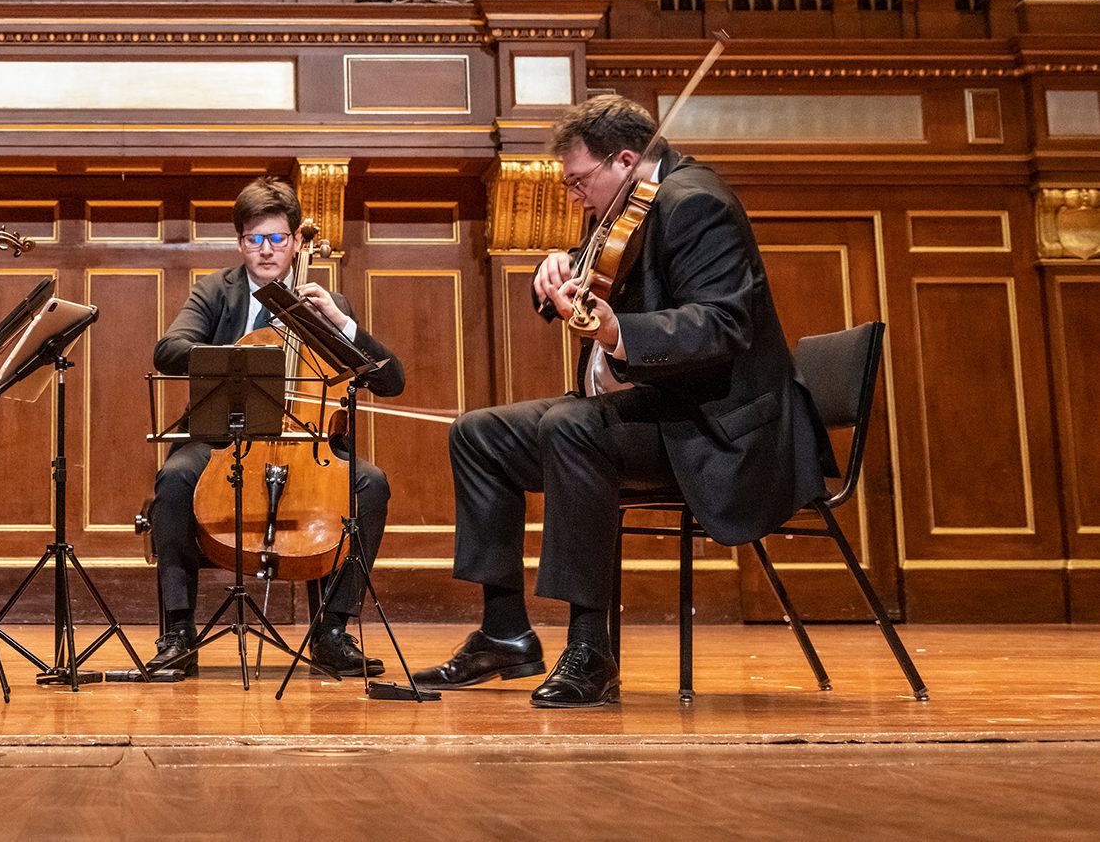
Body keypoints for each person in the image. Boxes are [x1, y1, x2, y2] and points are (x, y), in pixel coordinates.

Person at [411, 95, 832, 707]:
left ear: (627, 159)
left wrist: (618, 333)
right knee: (480, 433)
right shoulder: (624, 205)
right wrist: (554, 272)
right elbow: (594, 280)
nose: (573, 195)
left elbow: (723, 324)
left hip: (718, 430)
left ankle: (590, 650)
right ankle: (504, 633)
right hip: (655, 412)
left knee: (572, 427)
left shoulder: (696, 204)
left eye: (579, 181)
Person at [146, 176, 406, 678]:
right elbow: (169, 350)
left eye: (277, 239)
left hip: (308, 446)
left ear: (294, 242)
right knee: (175, 478)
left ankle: (332, 634)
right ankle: (178, 634)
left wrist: (341, 325)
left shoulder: (326, 305)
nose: (266, 251)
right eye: (254, 239)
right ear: (240, 242)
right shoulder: (214, 292)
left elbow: (390, 380)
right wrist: (245, 355)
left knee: (369, 485)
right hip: (225, 441)